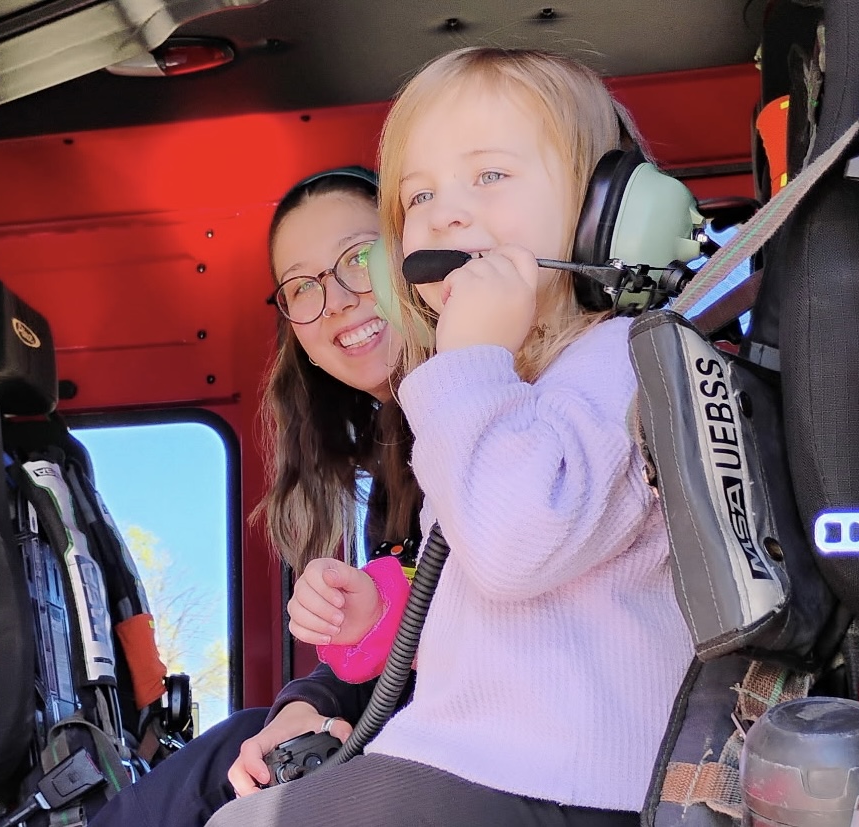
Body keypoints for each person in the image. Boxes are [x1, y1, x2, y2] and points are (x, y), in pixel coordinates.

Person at [207, 46, 694, 827]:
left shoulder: (620, 358)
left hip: (558, 779)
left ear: (608, 208)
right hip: (487, 762)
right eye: (419, 196)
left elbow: (511, 545)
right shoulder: (508, 385)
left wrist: (467, 360)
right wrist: (377, 620)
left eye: (490, 177)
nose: (445, 213)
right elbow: (474, 579)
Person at [87, 166, 419, 826]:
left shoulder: (484, 416)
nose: (340, 299)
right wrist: (300, 705)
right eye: (303, 286)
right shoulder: (398, 463)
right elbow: (391, 658)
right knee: (243, 742)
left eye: (359, 257)